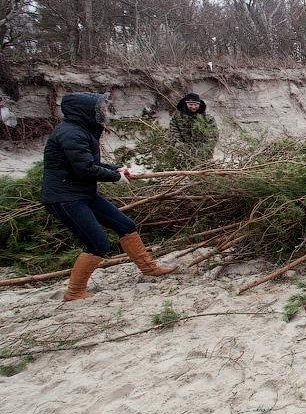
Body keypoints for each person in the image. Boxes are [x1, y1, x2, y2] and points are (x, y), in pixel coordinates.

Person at [41, 92, 177, 302]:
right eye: (99, 109)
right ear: (85, 111)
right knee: (98, 244)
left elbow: (89, 163)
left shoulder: (82, 131)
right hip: (65, 198)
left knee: (125, 225)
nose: (103, 113)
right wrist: (115, 177)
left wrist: (117, 169)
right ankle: (75, 292)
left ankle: (150, 268)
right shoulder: (71, 134)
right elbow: (84, 169)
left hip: (82, 193)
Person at [169, 93, 218, 167]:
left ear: (199, 104)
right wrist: (181, 146)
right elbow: (173, 131)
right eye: (191, 104)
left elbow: (213, 136)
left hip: (203, 152)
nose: (193, 107)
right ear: (186, 103)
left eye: (196, 105)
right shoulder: (177, 117)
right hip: (184, 152)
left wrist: (203, 152)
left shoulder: (207, 118)